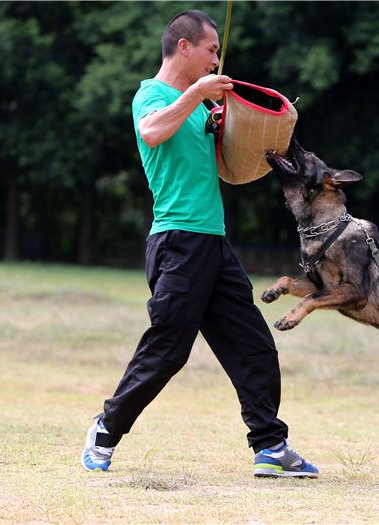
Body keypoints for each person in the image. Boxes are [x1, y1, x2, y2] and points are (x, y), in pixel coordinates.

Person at [81, 10, 318, 478]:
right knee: (168, 349)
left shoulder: (200, 109)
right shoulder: (152, 95)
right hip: (176, 242)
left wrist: (245, 129)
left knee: (253, 346)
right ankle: (105, 430)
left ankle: (270, 445)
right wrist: (194, 96)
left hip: (214, 243)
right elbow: (151, 131)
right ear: (183, 47)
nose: (215, 61)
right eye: (211, 51)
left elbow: (233, 168)